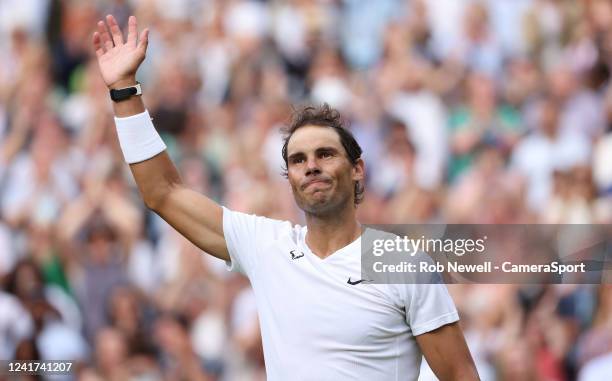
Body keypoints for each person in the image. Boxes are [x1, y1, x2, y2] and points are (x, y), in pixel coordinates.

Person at [92, 14, 480, 381]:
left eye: (325, 154)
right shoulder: (267, 247)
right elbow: (163, 192)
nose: (311, 166)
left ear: (357, 169)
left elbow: (461, 376)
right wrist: (124, 91)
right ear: (289, 178)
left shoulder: (403, 262)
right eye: (298, 160)